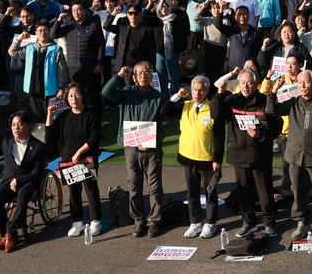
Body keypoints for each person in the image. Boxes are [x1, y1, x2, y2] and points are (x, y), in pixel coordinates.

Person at [103, 62, 172, 237]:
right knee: (134, 185)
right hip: (131, 148)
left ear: (151, 76)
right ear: (134, 77)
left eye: (147, 72)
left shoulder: (159, 97)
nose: (143, 75)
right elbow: (106, 93)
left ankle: (155, 220)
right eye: (139, 73)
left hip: (152, 148)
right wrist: (119, 76)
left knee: (155, 186)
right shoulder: (126, 94)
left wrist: (154, 140)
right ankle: (139, 220)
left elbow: (165, 123)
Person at [270, 69, 312, 242]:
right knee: (297, 191)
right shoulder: (293, 103)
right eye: (300, 83)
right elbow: (271, 111)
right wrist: (273, 91)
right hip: (295, 155)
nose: (303, 86)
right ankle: (302, 222)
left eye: (307, 82)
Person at [214, 67, 281, 238]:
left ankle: (269, 222)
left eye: (249, 83)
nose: (245, 86)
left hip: (260, 155)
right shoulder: (232, 100)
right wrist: (220, 93)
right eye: (242, 83)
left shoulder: (265, 101)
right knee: (243, 192)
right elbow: (216, 113)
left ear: (257, 84)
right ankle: (249, 222)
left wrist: (260, 135)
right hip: (239, 154)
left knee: (265, 191)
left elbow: (276, 127)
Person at [0, 112, 47, 253]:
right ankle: (6, 235)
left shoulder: (38, 146)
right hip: (7, 181)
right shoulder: (6, 139)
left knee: (23, 194)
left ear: (28, 126)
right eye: (14, 125)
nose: (16, 128)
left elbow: (36, 173)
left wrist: (18, 180)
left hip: (27, 181)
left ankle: (11, 229)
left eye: (20, 124)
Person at [46, 82, 103, 239]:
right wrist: (50, 115)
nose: (74, 98)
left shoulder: (90, 114)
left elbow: (95, 137)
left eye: (77, 94)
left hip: (87, 158)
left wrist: (79, 152)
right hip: (68, 160)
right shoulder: (64, 116)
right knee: (73, 191)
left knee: (91, 189)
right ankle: (77, 221)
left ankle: (95, 220)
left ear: (82, 96)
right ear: (66, 99)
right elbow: (50, 135)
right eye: (70, 95)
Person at [173, 76, 225, 238]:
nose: (197, 93)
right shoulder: (185, 105)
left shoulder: (213, 107)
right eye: (194, 89)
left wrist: (217, 159)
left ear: (207, 91)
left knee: (210, 193)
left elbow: (219, 136)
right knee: (192, 194)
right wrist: (176, 96)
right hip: (187, 158)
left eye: (201, 90)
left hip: (207, 160)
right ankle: (195, 222)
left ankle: (210, 223)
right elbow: (164, 111)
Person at [11, 22, 68, 127]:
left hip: (50, 91)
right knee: (38, 118)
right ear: (36, 33)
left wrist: (61, 87)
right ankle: (42, 139)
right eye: (40, 30)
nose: (43, 33)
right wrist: (20, 38)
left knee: (52, 118)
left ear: (49, 32)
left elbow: (62, 70)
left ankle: (53, 139)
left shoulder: (56, 49)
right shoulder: (29, 48)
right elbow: (12, 51)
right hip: (33, 90)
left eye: (45, 30)